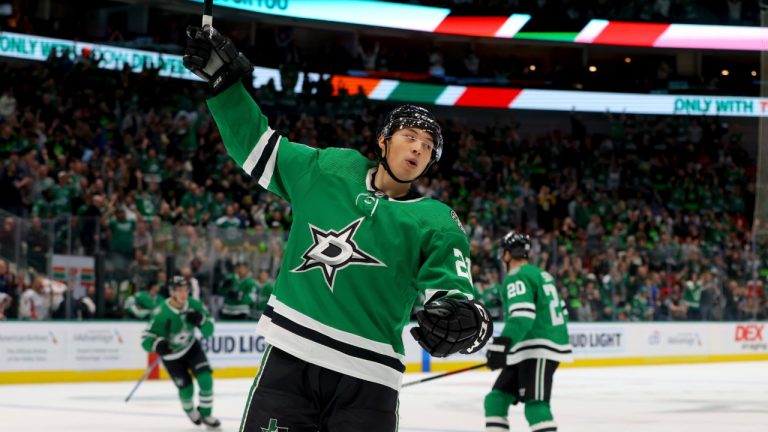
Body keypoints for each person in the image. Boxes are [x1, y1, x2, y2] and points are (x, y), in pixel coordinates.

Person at [183, 25, 492, 432]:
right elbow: (257, 145)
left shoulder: (437, 220)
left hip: (370, 379)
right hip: (290, 360)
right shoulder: (330, 169)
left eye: (429, 145)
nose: (419, 147)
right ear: (383, 140)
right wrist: (225, 85)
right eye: (410, 136)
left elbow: (454, 295)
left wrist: (468, 319)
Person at [484, 231, 573, 432]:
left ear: (508, 254)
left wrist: (501, 345)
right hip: (528, 348)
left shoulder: (517, 275)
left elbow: (522, 316)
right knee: (495, 400)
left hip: (538, 348)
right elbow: (564, 313)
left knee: (536, 407)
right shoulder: (542, 275)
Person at [141, 276, 219, 428]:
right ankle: (189, 410)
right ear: (172, 292)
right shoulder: (161, 313)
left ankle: (206, 414)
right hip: (172, 357)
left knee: (206, 380)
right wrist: (157, 345)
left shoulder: (194, 304)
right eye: (179, 290)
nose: (184, 294)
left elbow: (210, 331)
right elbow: (145, 339)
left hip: (191, 348)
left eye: (186, 290)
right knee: (187, 390)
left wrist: (202, 321)